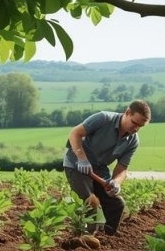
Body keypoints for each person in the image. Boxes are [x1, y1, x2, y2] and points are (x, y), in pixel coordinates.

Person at [63, 100, 151, 236]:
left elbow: (122, 168)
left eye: (140, 126)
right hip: (76, 164)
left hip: (99, 170)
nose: (136, 128)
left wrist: (116, 182)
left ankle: (105, 238)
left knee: (117, 204)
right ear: (127, 113)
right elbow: (75, 133)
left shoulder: (133, 141)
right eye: (134, 123)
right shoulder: (103, 119)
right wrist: (82, 158)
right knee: (90, 201)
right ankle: (84, 237)